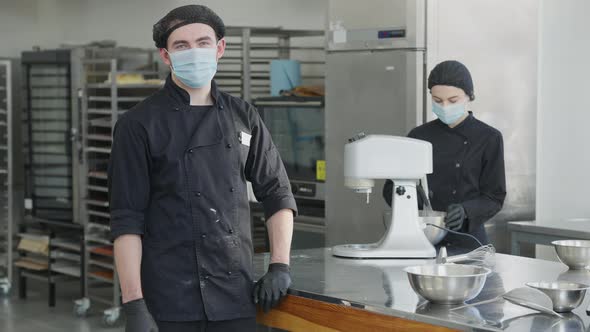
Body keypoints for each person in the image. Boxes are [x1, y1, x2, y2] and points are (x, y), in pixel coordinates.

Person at [108, 5, 297, 332]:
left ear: (219, 48)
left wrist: (280, 265)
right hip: (169, 299)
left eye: (203, 42)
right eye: (182, 46)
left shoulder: (243, 116)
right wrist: (134, 303)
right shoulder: (138, 124)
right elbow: (127, 220)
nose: (194, 52)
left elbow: (277, 192)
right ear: (166, 56)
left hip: (234, 294)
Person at [383, 60, 506, 253]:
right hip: (422, 239)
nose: (445, 106)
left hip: (468, 244)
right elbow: (391, 188)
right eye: (438, 101)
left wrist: (467, 210)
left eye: (453, 100)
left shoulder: (489, 138)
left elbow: (494, 197)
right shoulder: (418, 136)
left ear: (469, 96)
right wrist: (415, 204)